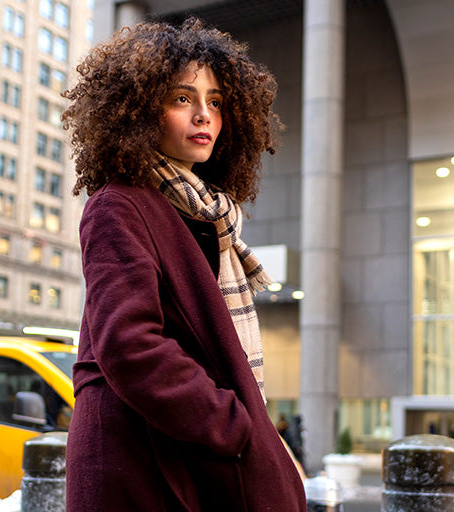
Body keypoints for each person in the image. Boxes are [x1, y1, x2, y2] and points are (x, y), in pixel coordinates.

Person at [63, 17, 305, 511]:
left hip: (184, 451)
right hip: (139, 459)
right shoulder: (119, 205)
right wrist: (236, 424)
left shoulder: (207, 215)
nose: (203, 116)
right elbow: (129, 344)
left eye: (215, 102)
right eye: (181, 99)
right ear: (138, 111)